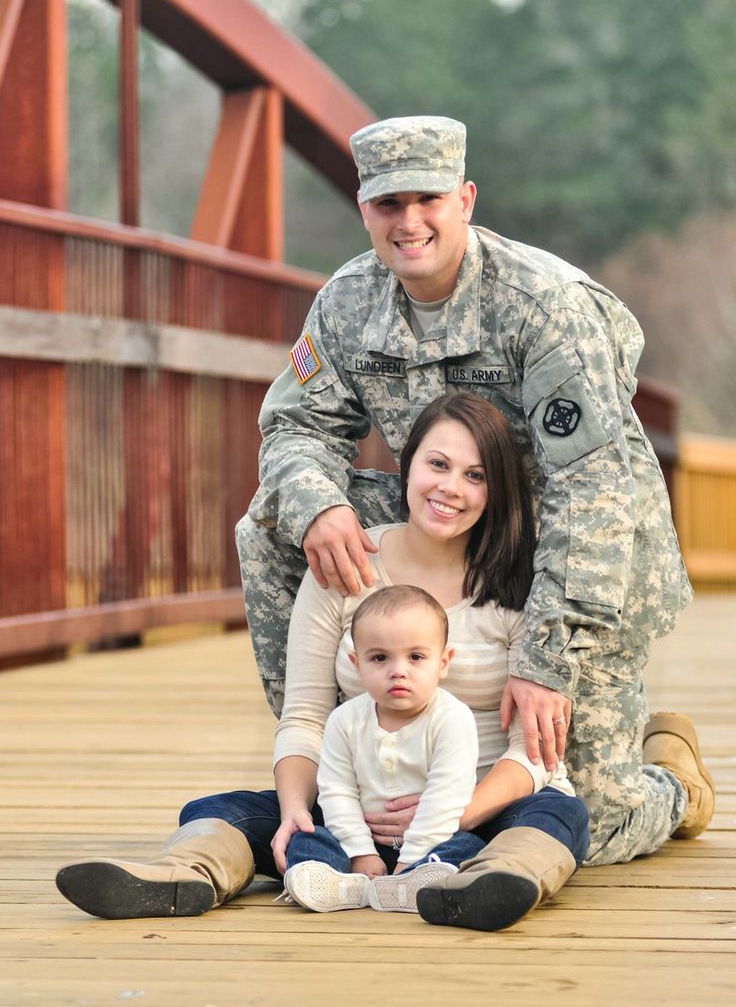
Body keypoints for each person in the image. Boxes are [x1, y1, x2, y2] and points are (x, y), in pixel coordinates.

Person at [238, 114, 715, 907]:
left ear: (464, 199)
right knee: (274, 519)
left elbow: (595, 493)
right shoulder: (348, 301)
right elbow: (295, 424)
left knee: (587, 821)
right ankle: (338, 758)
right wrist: (319, 503)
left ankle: (669, 774)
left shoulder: (544, 304)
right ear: (365, 211)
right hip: (444, 520)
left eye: (427, 199)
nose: (409, 222)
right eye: (388, 204)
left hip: (568, 547)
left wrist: (544, 661)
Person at [56, 394, 590, 932]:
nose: (450, 487)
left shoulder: (518, 586)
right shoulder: (348, 565)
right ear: (409, 467)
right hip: (354, 810)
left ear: (493, 491)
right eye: (437, 464)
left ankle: (485, 884)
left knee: (558, 813)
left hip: (480, 808)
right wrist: (296, 809)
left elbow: (534, 749)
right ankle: (182, 876)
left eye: (475, 475)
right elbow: (306, 714)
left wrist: (455, 813)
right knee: (232, 810)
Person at [283, 584, 487, 914]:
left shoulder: (452, 719)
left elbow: (445, 798)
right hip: (360, 840)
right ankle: (341, 884)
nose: (398, 671)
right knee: (309, 836)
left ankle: (416, 881)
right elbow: (337, 792)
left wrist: (410, 859)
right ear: (356, 664)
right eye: (379, 658)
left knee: (471, 846)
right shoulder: (344, 721)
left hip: (428, 842)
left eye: (416, 657)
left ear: (444, 662)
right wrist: (361, 851)